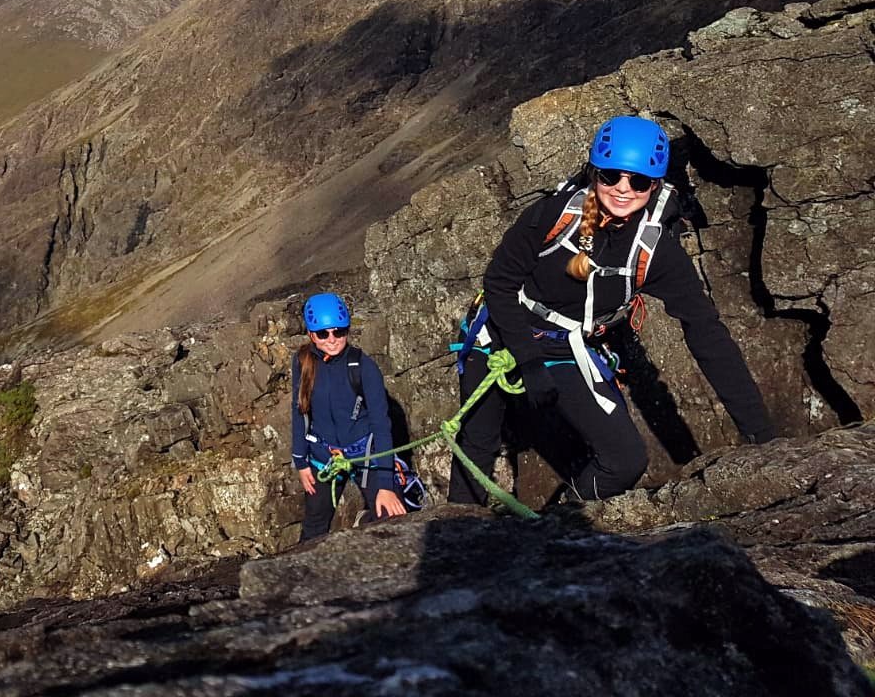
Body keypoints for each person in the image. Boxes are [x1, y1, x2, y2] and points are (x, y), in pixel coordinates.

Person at [449, 115, 777, 504]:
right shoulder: (556, 215)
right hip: (501, 332)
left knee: (624, 461)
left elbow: (706, 333)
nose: (623, 190)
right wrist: (528, 360)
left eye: (638, 181)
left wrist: (761, 434)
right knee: (477, 443)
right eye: (611, 177)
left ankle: (561, 525)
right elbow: (499, 283)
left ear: (654, 185)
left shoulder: (656, 252)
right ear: (594, 173)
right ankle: (458, 541)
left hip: (566, 350)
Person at [291, 291, 408, 538]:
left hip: (366, 453)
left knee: (390, 520)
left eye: (339, 332)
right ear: (311, 335)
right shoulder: (302, 362)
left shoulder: (363, 367)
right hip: (324, 457)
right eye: (323, 334)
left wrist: (386, 486)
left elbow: (381, 425)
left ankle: (368, 528)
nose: (332, 339)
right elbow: (299, 411)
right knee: (314, 527)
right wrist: (301, 462)